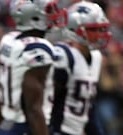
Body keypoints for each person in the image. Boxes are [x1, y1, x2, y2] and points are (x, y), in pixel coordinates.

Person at [0, 0, 67, 135]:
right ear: (33, 16)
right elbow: (34, 108)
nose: (54, 14)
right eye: (49, 10)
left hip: (8, 124)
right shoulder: (38, 49)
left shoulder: (9, 40)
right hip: (27, 127)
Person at [44, 1, 112, 135]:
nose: (100, 34)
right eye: (93, 29)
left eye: (102, 28)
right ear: (75, 29)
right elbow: (48, 102)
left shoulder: (96, 57)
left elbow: (89, 106)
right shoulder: (64, 55)